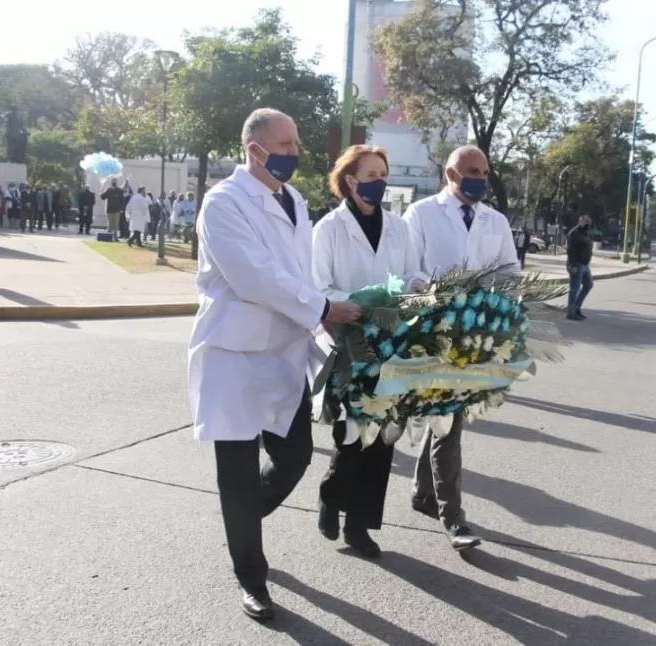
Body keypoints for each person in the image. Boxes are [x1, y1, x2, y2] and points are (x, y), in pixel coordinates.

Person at [187, 108, 361, 622]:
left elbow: (297, 273)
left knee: (295, 457)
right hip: (234, 357)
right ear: (254, 148)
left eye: (296, 141)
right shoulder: (223, 203)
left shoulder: (295, 200)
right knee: (237, 476)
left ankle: (242, 521)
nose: (295, 150)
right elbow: (253, 275)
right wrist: (322, 309)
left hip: (284, 350)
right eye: (285, 142)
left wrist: (321, 313)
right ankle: (251, 577)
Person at [312, 145, 426, 558]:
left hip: (393, 338)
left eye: (383, 174)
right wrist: (359, 303)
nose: (379, 182)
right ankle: (331, 492)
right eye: (371, 175)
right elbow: (319, 287)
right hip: (350, 339)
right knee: (354, 427)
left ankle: (359, 526)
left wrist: (416, 289)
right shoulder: (328, 228)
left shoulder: (399, 227)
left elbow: (416, 272)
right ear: (350, 181)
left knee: (383, 435)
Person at [403, 144, 519, 552]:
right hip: (434, 329)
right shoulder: (421, 214)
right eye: (473, 170)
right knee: (448, 420)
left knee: (447, 415)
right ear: (452, 175)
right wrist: (434, 295)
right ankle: (453, 516)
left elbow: (509, 270)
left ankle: (423, 493)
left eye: (485, 171)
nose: (481, 178)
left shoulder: (495, 221)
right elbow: (408, 268)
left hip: (476, 331)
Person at [565, 214, 594, 321]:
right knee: (574, 288)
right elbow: (570, 251)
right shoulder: (573, 233)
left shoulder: (584, 233)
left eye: (589, 223)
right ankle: (571, 312)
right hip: (576, 264)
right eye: (587, 223)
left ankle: (576, 308)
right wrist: (572, 265)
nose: (588, 225)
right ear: (581, 222)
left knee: (588, 285)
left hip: (584, 264)